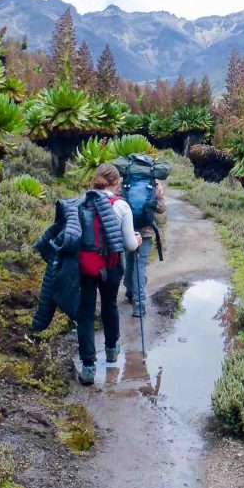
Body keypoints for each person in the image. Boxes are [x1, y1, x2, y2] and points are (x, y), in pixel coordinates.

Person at [74, 163, 141, 385]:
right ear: (116, 182)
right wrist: (138, 240)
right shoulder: (121, 206)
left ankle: (88, 368)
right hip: (111, 265)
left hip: (85, 265)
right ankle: (111, 351)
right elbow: (130, 245)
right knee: (109, 304)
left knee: (85, 311)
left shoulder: (82, 201)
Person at [124, 177, 166, 318]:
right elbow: (161, 209)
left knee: (129, 261)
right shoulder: (154, 182)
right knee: (139, 266)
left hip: (127, 229)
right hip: (145, 231)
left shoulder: (125, 179)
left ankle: (129, 291)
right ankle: (139, 307)